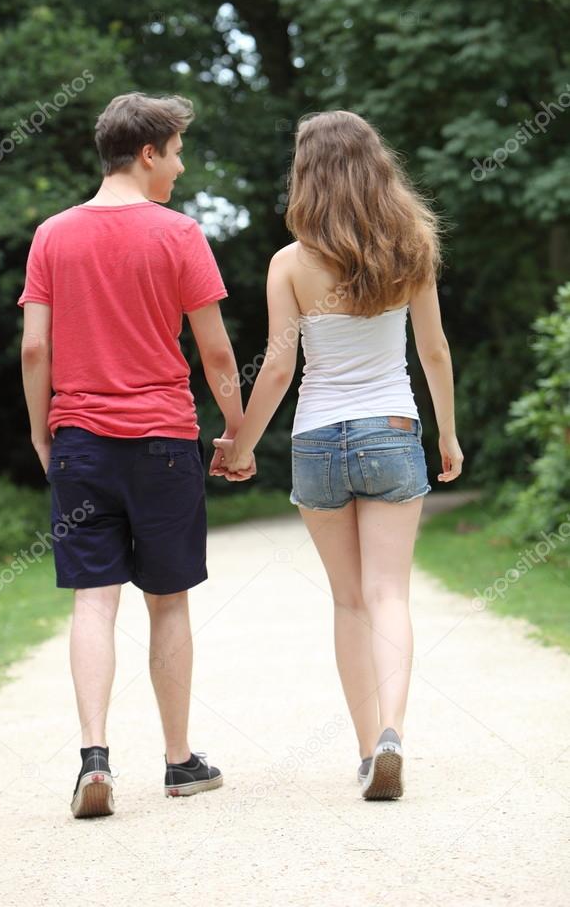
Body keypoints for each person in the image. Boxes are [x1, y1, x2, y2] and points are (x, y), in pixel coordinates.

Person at [212, 109, 464, 801]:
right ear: (376, 164)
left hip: (318, 440)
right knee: (389, 594)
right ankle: (392, 732)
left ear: (307, 175)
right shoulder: (411, 242)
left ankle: (363, 752)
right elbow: (434, 351)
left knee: (349, 602)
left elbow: (277, 370)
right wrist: (447, 432)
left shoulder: (290, 263)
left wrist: (239, 445)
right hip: (391, 426)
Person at [17, 91, 254, 818]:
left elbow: (34, 347)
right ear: (147, 152)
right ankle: (180, 762)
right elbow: (216, 351)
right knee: (168, 600)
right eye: (177, 151)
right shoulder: (179, 235)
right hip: (162, 443)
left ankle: (94, 756)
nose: (181, 167)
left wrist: (41, 431)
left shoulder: (52, 234)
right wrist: (236, 434)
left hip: (82, 442)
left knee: (94, 598)